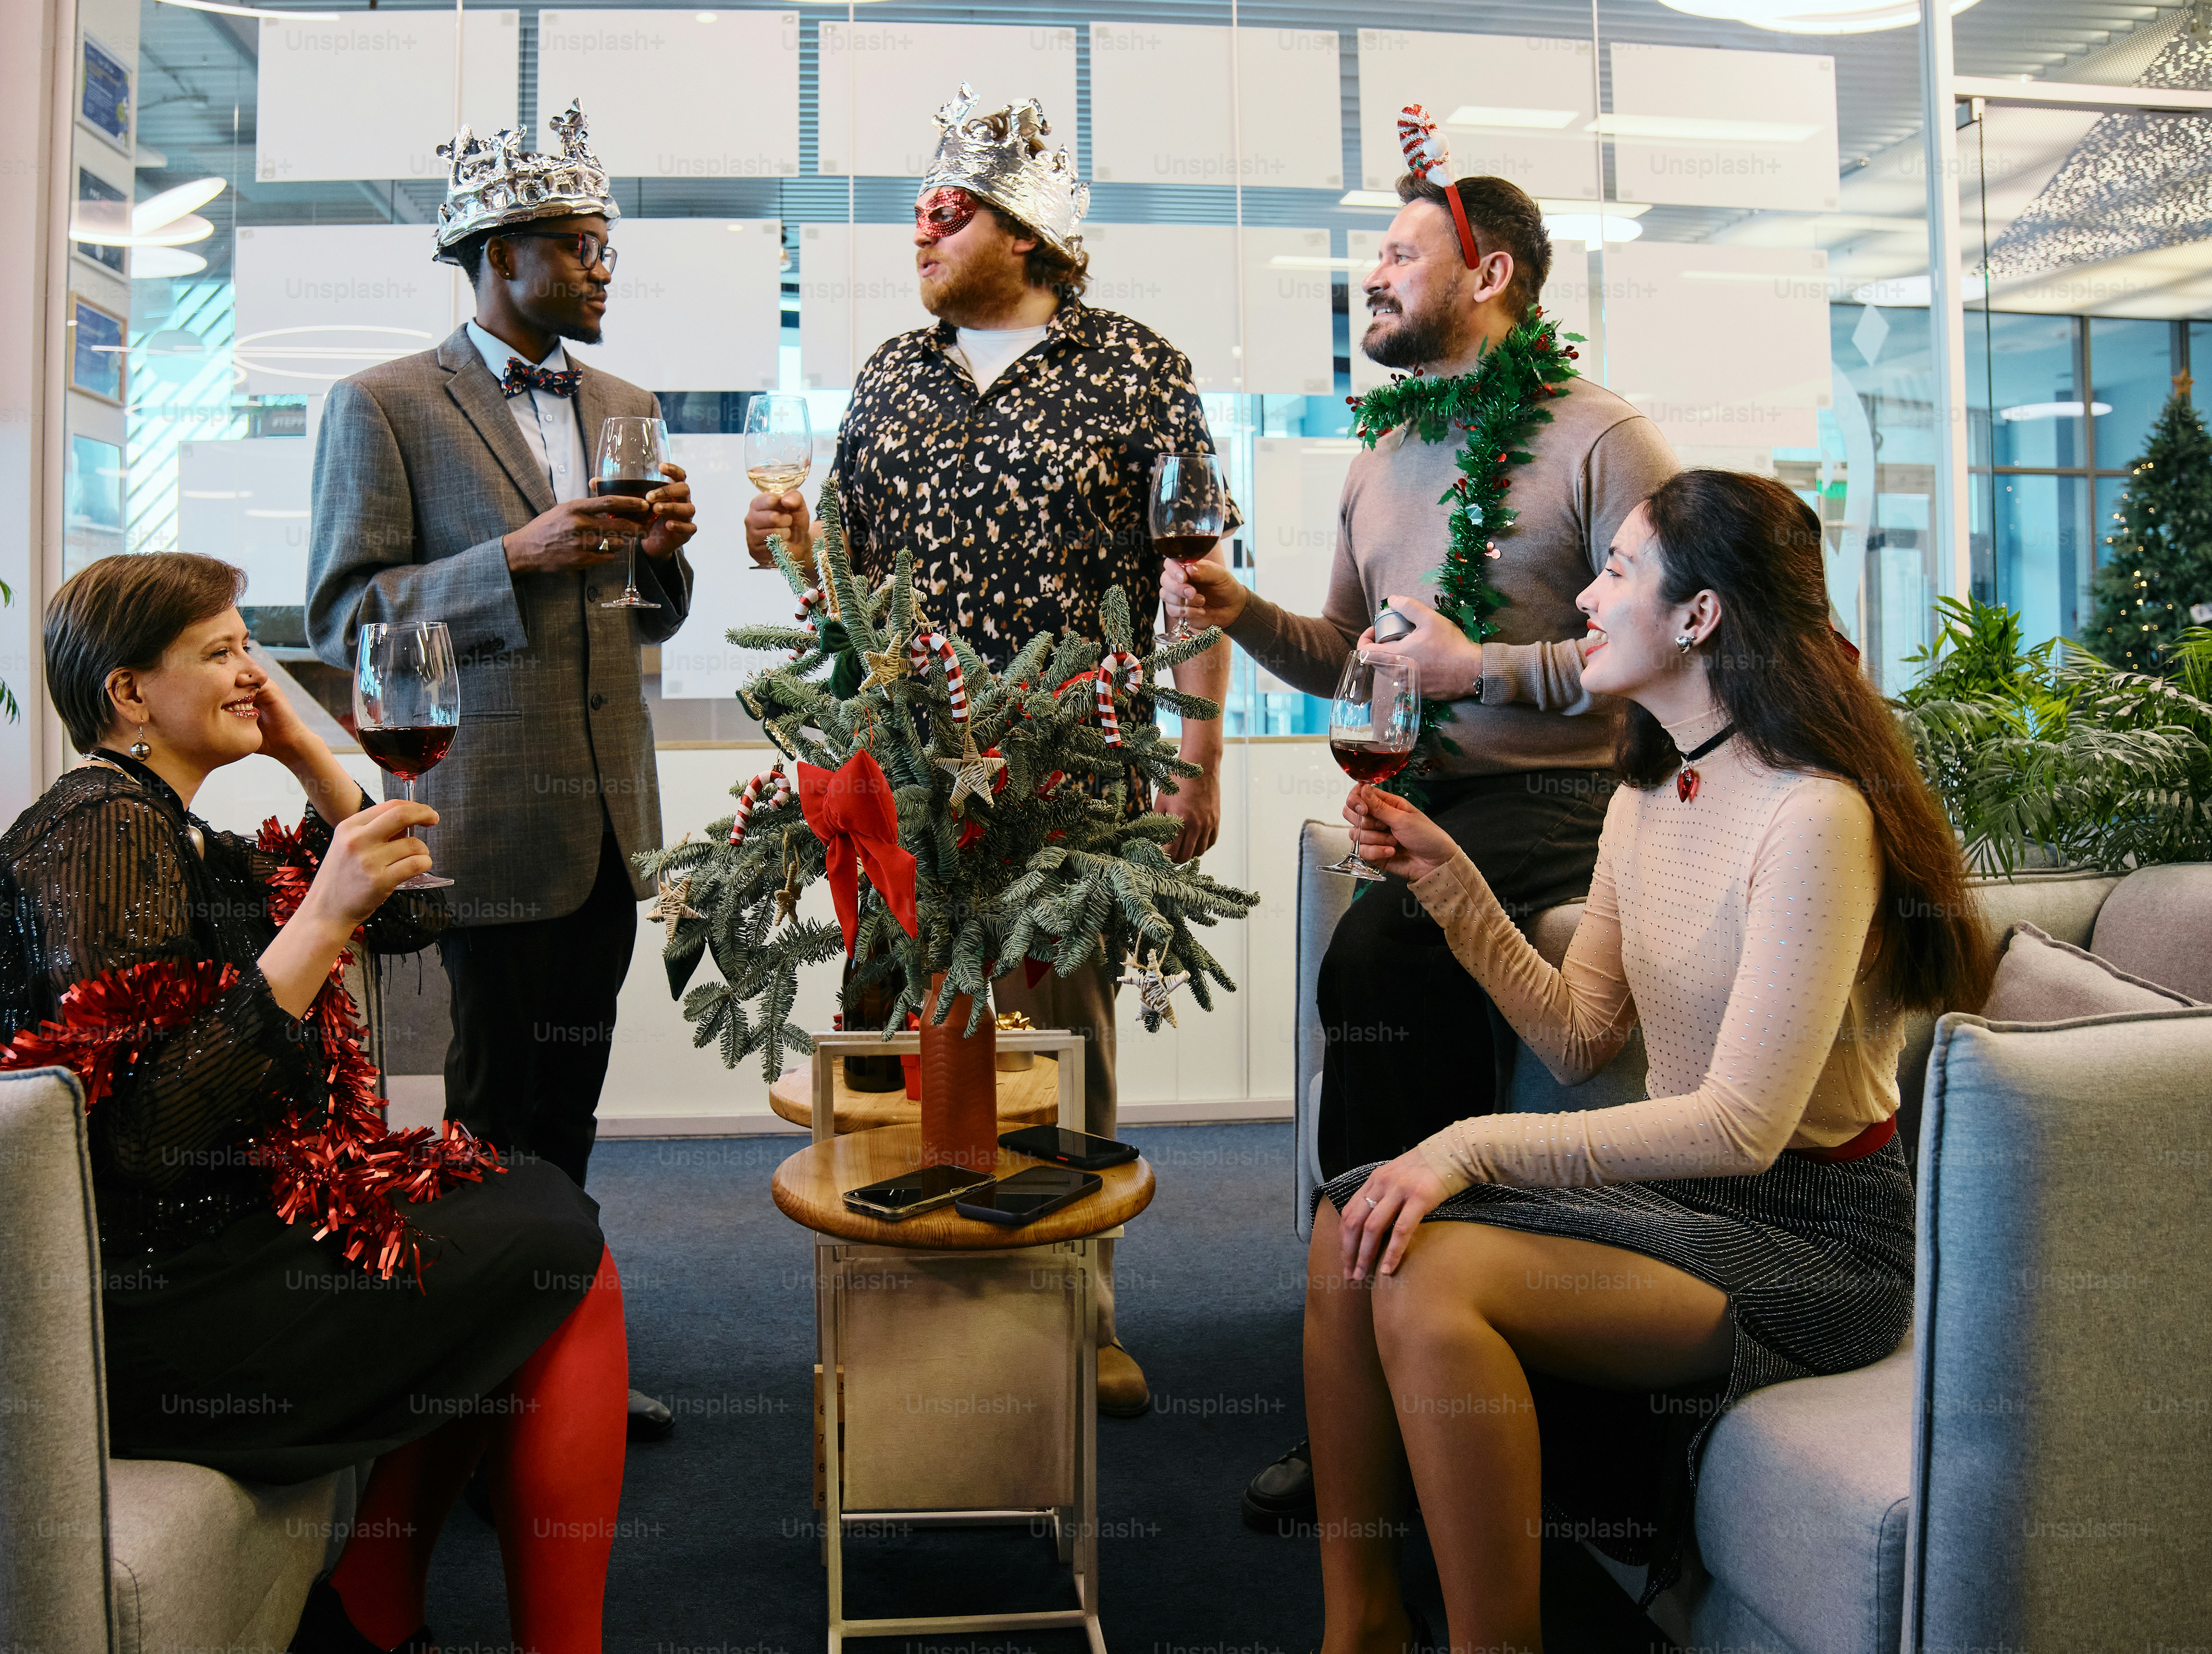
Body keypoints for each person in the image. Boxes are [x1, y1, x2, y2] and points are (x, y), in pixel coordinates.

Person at [1303, 469, 1994, 1652]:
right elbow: (1578, 1040)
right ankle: (1359, 1627)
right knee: (1353, 1220)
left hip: (1818, 1237)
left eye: (1617, 571)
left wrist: (1463, 1147)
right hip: (1678, 1202)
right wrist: (1450, 880)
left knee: (1427, 1273)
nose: (1583, 596)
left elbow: (1741, 1129)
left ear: (1699, 617)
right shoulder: (1647, 791)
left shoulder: (1814, 814)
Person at [0, 554, 628, 1654]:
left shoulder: (168, 827)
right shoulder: (98, 830)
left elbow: (409, 919)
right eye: (220, 652)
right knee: (559, 1253)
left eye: (248, 648)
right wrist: (317, 924)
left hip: (204, 1255)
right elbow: (150, 1128)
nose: (250, 674)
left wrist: (311, 754)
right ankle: (448, 1619)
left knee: (538, 1222)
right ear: (129, 694)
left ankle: (375, 1606)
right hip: (145, 1306)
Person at [1161, 162, 1679, 1524]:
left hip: (1566, 804)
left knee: (1376, 976)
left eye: (1396, 255)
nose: (1371, 280)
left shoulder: (1603, 437)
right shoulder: (1382, 452)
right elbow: (1345, 657)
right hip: (1432, 797)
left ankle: (1412, 1384)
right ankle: (1399, 1363)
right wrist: (1232, 608)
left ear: (1488, 273)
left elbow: (1677, 644)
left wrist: (1483, 671)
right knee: (1371, 974)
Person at [743, 85, 1236, 1418]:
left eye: (944, 213)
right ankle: (890, 1309)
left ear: (1024, 234)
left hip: (1072, 773)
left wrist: (1200, 749)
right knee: (893, 1032)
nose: (918, 231)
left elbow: (1196, 578)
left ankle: (1081, 1317)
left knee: (1059, 1042)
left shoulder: (1140, 368)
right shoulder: (892, 377)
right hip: (899, 774)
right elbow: (840, 570)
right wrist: (785, 543)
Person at [305, 107, 695, 1440]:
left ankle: (564, 1364)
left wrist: (662, 558)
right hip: (484, 823)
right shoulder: (385, 406)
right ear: (497, 253)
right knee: (489, 1122)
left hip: (606, 827)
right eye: (580, 248)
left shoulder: (627, 406)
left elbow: (648, 618)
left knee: (569, 1115)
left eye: (605, 247)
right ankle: (478, 1398)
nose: (603, 269)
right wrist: (513, 560)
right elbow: (346, 618)